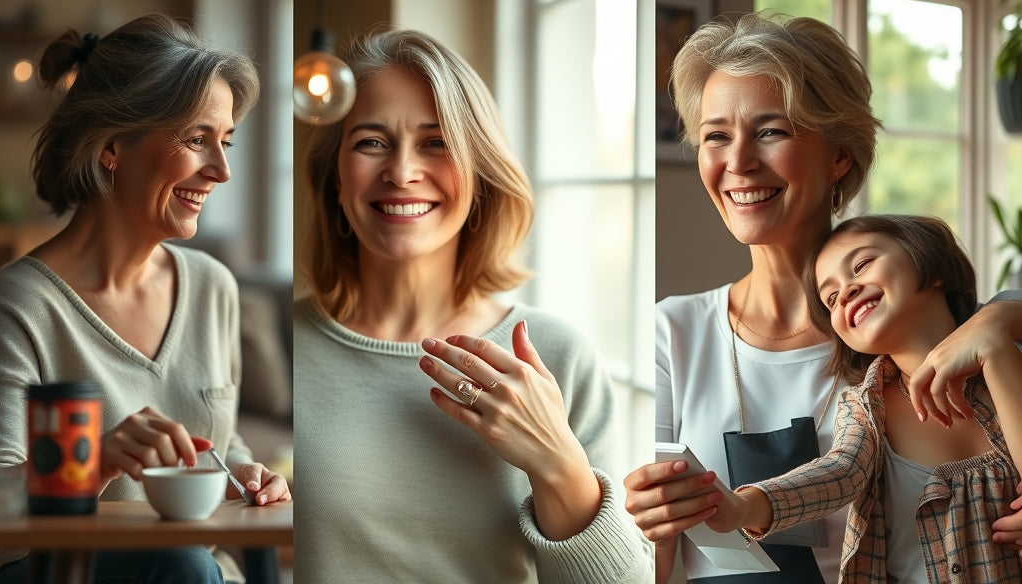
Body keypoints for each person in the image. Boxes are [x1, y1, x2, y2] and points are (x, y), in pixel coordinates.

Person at [622, 12, 1022, 584]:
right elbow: (650, 565)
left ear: (839, 154)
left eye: (771, 131)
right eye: (716, 136)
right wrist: (643, 525)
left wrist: (1007, 313)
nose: (738, 162)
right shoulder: (671, 333)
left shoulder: (909, 328)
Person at [292, 27, 652, 583]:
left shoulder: (556, 354)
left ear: (480, 175)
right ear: (334, 181)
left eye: (435, 143)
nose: (402, 171)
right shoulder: (280, 344)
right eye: (369, 142)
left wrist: (558, 465)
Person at [0, 14, 290, 584]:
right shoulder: (18, 307)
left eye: (225, 142)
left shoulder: (213, 287)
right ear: (112, 147)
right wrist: (96, 459)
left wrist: (248, 475)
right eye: (196, 139)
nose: (223, 170)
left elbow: (220, 443)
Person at [673, 214, 1022, 583]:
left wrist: (994, 343)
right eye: (831, 298)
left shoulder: (1007, 353)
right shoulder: (865, 407)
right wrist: (742, 508)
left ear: (931, 264)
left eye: (863, 264)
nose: (848, 292)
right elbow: (839, 473)